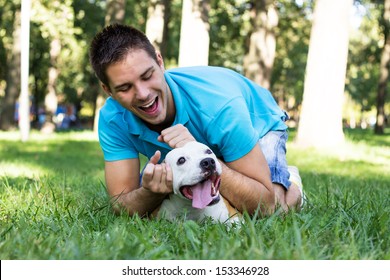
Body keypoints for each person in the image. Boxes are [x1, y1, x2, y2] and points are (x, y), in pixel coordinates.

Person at [89, 24, 304, 218]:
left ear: (160, 61)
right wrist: (150, 193)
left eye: (147, 76)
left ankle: (290, 181)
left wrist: (196, 151)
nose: (143, 94)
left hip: (258, 122)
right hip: (208, 134)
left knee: (276, 210)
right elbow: (120, 203)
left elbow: (263, 205)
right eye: (125, 88)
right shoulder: (113, 118)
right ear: (108, 90)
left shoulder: (221, 107)